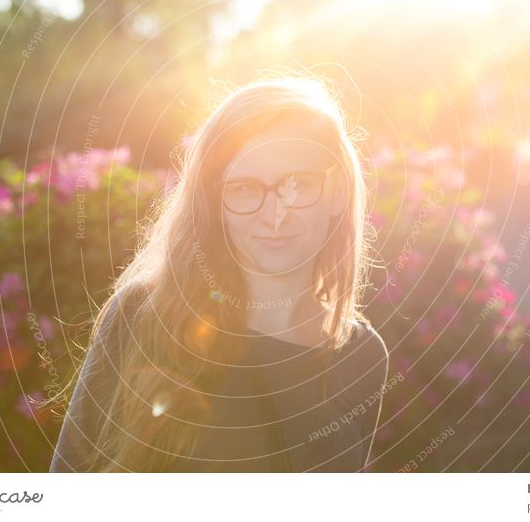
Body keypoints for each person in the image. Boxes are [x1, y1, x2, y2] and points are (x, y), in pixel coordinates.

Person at [48, 74, 389, 472]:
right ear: (217, 203)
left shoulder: (362, 357)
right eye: (245, 188)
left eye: (299, 183)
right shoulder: (143, 316)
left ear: (337, 193)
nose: (274, 215)